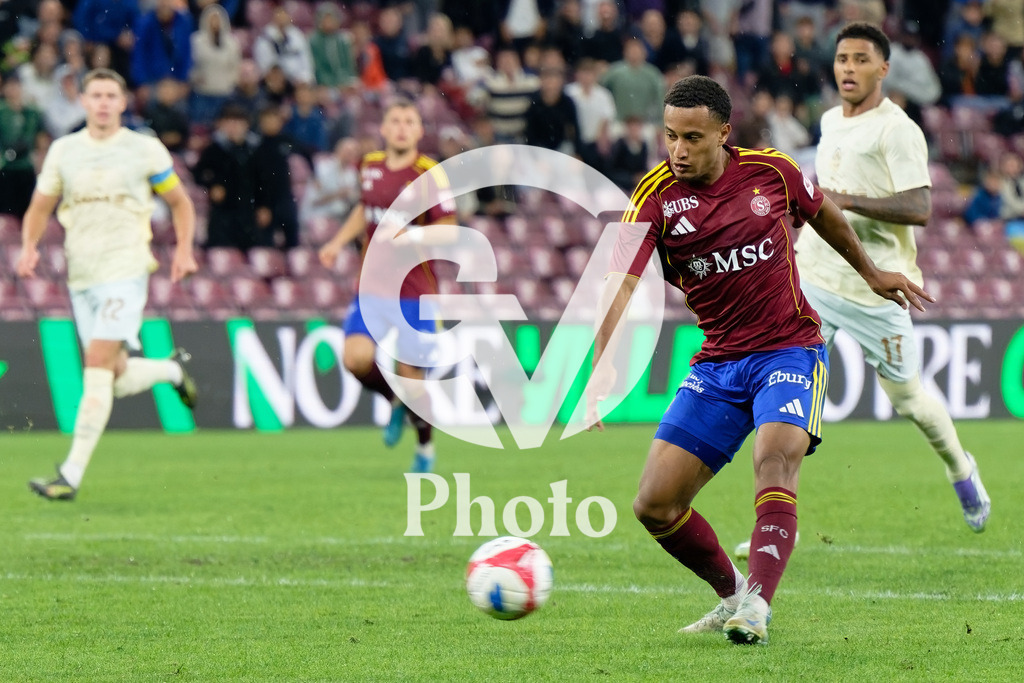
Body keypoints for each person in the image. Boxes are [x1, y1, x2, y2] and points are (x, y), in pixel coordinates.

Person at [587, 74, 929, 644]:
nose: (679, 150)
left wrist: (871, 275)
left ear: (724, 133)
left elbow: (824, 214)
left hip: (789, 348)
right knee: (654, 505)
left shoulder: (772, 171)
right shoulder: (653, 196)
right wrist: (601, 366)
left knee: (774, 463)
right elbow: (619, 281)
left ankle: (760, 606)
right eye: (670, 136)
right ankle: (732, 597)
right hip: (718, 364)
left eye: (693, 138)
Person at [795, 23, 991, 533]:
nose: (849, 69)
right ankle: (771, 526)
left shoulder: (897, 128)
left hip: (876, 288)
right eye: (842, 59)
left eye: (861, 60)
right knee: (788, 402)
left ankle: (960, 468)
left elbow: (921, 206)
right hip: (814, 279)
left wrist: (848, 201)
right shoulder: (829, 121)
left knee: (911, 403)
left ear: (883, 69)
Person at [17, 68, 199, 501]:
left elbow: (180, 203)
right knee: (112, 377)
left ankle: (71, 475)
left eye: (110, 95)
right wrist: (28, 247)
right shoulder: (64, 151)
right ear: (83, 101)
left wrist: (185, 249)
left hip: (127, 270)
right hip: (81, 275)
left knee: (97, 363)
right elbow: (40, 207)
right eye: (95, 94)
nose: (102, 102)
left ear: (122, 103)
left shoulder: (143, 149)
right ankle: (171, 370)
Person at [317, 100, 457, 474]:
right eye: (394, 120)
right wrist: (335, 242)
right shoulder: (370, 165)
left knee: (415, 385)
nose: (400, 127)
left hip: (415, 292)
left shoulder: (430, 174)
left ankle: (425, 446)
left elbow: (449, 229)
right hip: (371, 288)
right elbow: (365, 210)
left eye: (408, 121)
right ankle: (392, 399)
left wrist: (409, 234)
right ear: (382, 128)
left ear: (418, 131)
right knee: (355, 359)